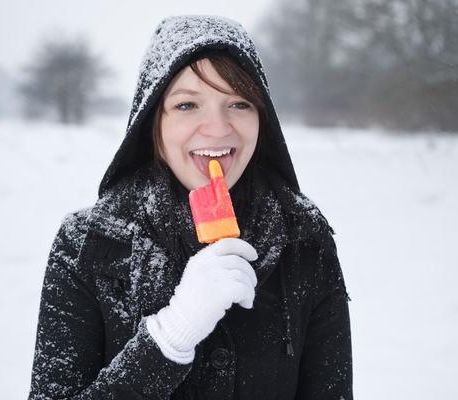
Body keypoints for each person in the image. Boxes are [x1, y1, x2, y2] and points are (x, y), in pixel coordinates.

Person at [28, 15, 352, 400]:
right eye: (187, 105)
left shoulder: (304, 239)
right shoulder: (87, 244)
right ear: (152, 121)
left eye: (239, 103)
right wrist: (172, 334)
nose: (218, 129)